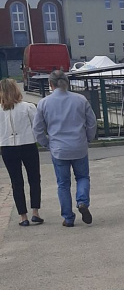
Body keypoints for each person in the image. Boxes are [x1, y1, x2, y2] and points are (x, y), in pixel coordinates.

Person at [33, 69, 97, 228]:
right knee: (82, 177)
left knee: (63, 183)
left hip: (58, 148)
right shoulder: (80, 99)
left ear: (50, 84)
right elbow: (92, 122)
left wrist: (46, 143)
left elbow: (37, 129)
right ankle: (82, 202)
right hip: (79, 146)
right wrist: (88, 138)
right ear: (67, 83)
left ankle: (68, 218)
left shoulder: (44, 103)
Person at [0, 78, 43, 227]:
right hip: (28, 144)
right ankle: (35, 212)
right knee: (34, 178)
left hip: (7, 146)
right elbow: (37, 126)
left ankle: (22, 216)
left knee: (16, 181)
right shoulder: (28, 107)